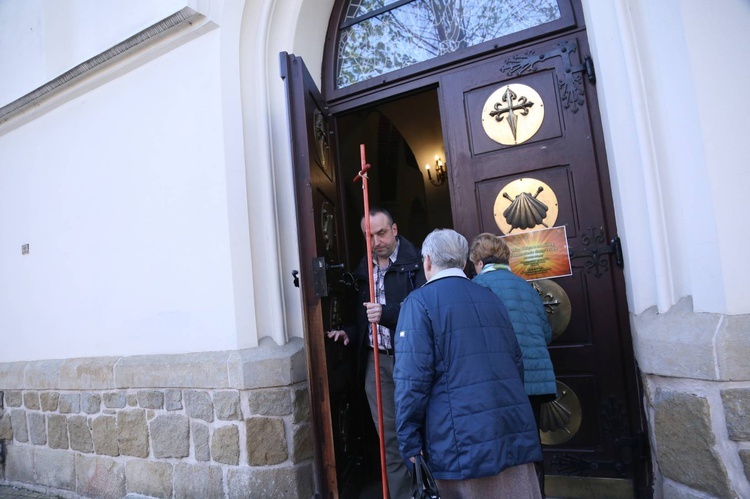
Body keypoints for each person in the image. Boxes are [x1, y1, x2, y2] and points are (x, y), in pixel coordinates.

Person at [394, 229, 542, 499]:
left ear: (427, 261)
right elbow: (516, 362)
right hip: (509, 430)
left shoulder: (418, 302)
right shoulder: (490, 297)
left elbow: (411, 382)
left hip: (460, 444)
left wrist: (409, 443)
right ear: (463, 263)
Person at [326, 207, 425, 499]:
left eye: (381, 233)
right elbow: (363, 318)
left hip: (411, 360)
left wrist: (388, 314)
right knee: (389, 438)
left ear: (394, 230)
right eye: (368, 235)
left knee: (423, 430)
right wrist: (351, 332)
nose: (376, 241)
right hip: (375, 361)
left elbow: (423, 312)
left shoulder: (418, 264)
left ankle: (430, 491)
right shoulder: (362, 271)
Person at [469, 232, 557, 497]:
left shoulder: (477, 288)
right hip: (536, 380)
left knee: (505, 448)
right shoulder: (526, 286)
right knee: (532, 445)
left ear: (478, 262)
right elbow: (546, 333)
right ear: (505, 258)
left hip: (502, 382)